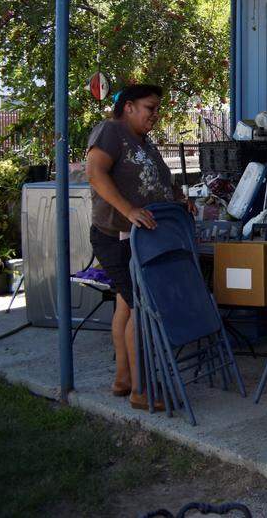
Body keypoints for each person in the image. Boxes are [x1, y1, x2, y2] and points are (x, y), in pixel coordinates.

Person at [86, 84, 183, 410]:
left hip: (143, 238)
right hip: (118, 236)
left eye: (156, 109)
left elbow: (157, 182)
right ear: (128, 106)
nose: (155, 115)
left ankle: (124, 379)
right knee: (142, 307)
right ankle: (143, 390)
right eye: (149, 108)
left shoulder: (142, 140)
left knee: (126, 305)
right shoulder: (111, 131)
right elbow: (95, 173)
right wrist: (128, 211)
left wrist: (179, 201)